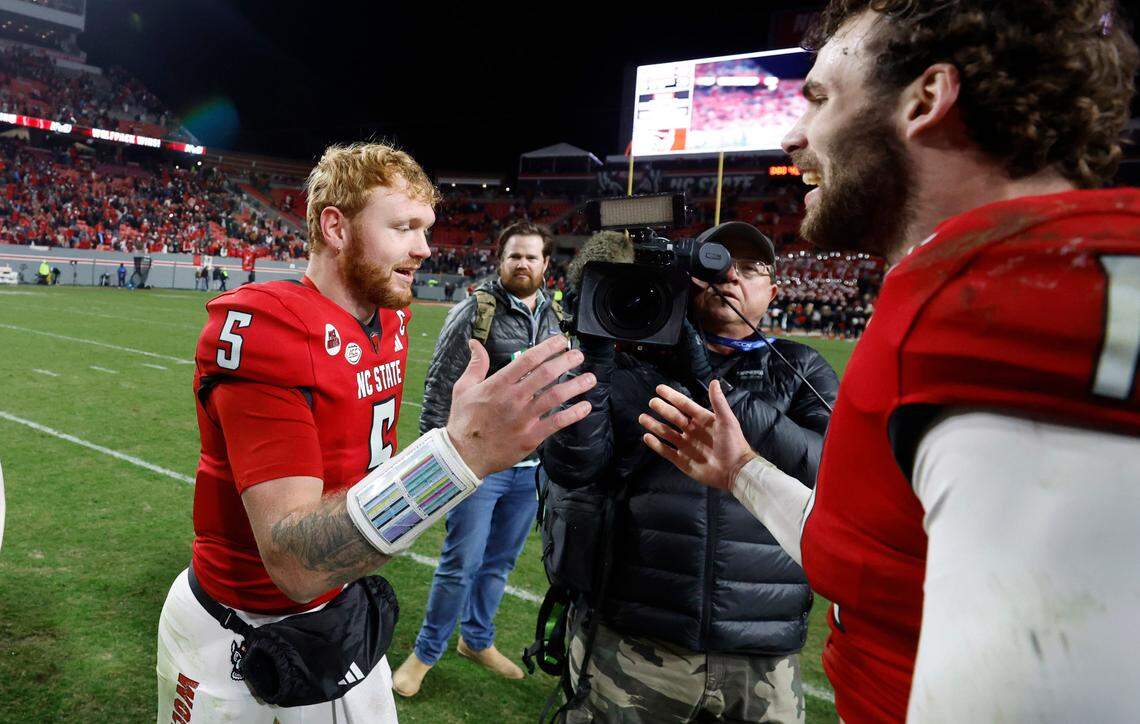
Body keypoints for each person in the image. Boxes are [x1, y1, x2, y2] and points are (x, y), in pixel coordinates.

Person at [640, 3, 1140, 722]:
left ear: (926, 100)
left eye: (819, 97)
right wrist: (743, 472)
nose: (793, 133)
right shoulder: (971, 281)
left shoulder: (1005, 307)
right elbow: (882, 553)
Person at [154, 143, 595, 723]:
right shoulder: (269, 329)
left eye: (426, 228)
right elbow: (293, 564)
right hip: (241, 634)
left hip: (343, 616)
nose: (424, 248)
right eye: (403, 227)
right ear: (335, 227)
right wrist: (460, 455)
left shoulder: (388, 319)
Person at [542, 223, 838, 722]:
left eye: (749, 269)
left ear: (772, 290)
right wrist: (594, 353)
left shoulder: (800, 367)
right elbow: (575, 466)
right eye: (715, 266)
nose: (730, 278)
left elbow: (830, 468)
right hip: (638, 639)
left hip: (762, 651)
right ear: (686, 280)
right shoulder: (635, 362)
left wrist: (708, 381)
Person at [392, 222, 565, 696]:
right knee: (459, 563)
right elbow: (439, 386)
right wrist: (437, 464)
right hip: (480, 466)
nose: (523, 264)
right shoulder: (475, 310)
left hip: (531, 469)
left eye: (532, 257)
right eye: (515, 256)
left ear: (546, 265)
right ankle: (425, 654)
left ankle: (477, 639)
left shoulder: (558, 316)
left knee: (499, 565)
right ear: (500, 260)